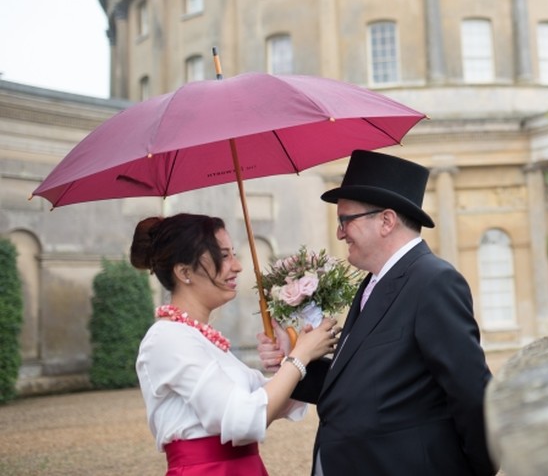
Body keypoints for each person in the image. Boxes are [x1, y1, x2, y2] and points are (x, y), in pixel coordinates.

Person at [257, 150, 498, 476]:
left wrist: (476, 468)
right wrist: (294, 362)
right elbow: (356, 385)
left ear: (386, 221)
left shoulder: (433, 281)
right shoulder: (374, 281)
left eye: (345, 220)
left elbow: (471, 393)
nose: (340, 233)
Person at [130, 213, 341, 476]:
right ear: (184, 272)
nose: (238, 266)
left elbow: (268, 403)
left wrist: (290, 356)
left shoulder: (201, 338)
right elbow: (243, 418)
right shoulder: (167, 339)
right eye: (224, 255)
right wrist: (299, 357)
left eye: (233, 254)